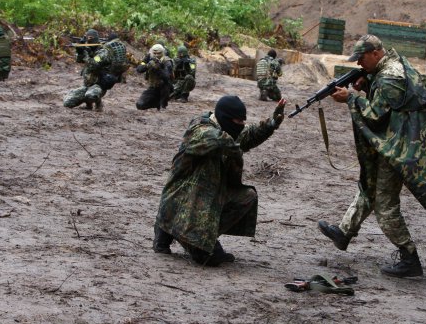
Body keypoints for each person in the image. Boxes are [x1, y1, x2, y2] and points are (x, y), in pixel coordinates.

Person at [317, 34, 426, 277]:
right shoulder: (392, 65)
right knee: (370, 187)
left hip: (404, 148)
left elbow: (375, 114)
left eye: (361, 59)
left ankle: (408, 256)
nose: (359, 64)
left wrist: (350, 98)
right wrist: (367, 84)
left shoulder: (390, 76)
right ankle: (344, 231)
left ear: (375, 53)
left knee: (385, 203)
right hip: (402, 142)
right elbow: (396, 103)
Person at [153, 95, 287, 266]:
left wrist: (272, 123)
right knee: (207, 258)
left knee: (247, 196)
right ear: (225, 118)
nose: (240, 126)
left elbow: (248, 134)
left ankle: (194, 234)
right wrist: (235, 147)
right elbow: (212, 138)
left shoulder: (228, 130)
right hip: (185, 196)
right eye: (237, 121)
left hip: (206, 199)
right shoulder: (200, 128)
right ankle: (172, 230)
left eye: (242, 122)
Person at [63, 29, 127, 111]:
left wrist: (85, 54)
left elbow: (93, 64)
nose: (88, 40)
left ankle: (98, 104)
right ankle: (88, 105)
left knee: (91, 95)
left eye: (90, 38)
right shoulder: (89, 48)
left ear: (95, 38)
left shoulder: (103, 52)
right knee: (67, 103)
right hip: (87, 85)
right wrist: (80, 51)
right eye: (87, 37)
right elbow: (79, 60)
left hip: (98, 85)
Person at [135, 44, 173, 111]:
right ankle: (156, 103)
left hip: (164, 89)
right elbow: (139, 69)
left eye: (158, 53)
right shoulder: (148, 58)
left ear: (162, 53)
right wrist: (147, 65)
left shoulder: (167, 61)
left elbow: (167, 77)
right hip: (153, 87)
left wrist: (158, 69)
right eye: (154, 53)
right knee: (140, 105)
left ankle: (162, 104)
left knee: (166, 88)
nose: (156, 55)